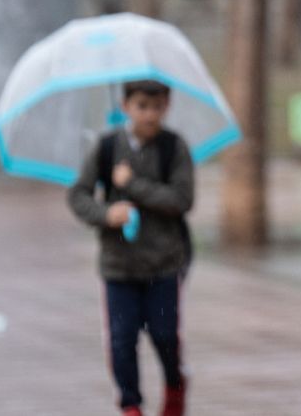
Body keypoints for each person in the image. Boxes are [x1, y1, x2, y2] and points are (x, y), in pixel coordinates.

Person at [67, 79, 195, 416]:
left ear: (167, 106)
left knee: (166, 336)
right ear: (125, 106)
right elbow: (78, 195)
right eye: (142, 106)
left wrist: (133, 185)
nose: (149, 115)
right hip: (118, 267)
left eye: (157, 107)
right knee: (122, 342)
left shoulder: (174, 148)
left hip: (163, 265)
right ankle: (130, 404)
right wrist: (107, 213)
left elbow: (182, 199)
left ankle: (175, 384)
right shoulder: (107, 148)